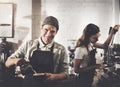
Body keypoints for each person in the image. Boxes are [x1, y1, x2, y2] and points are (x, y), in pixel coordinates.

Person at [5, 16, 69, 87]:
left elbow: (65, 73)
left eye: (52, 31)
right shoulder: (29, 44)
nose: (48, 34)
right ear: (41, 29)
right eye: (46, 30)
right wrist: (17, 60)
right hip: (29, 83)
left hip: (49, 84)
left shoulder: (61, 49)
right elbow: (7, 62)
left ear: (56, 32)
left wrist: (54, 77)